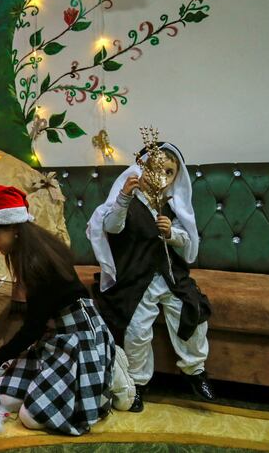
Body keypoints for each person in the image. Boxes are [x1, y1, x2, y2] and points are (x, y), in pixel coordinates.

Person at [0, 186, 114, 436]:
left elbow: (32, 328)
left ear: (14, 228)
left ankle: (107, 384)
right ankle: (45, 389)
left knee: (33, 418)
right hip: (55, 336)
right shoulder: (28, 251)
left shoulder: (37, 262)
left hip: (78, 339)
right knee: (6, 399)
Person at [87, 142, 214, 412]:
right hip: (136, 275)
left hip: (169, 274)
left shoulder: (172, 203)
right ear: (142, 169)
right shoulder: (128, 198)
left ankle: (195, 370)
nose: (163, 178)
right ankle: (137, 383)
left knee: (190, 310)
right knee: (137, 329)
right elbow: (111, 226)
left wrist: (171, 234)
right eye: (158, 170)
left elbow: (186, 240)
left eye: (170, 173)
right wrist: (123, 198)